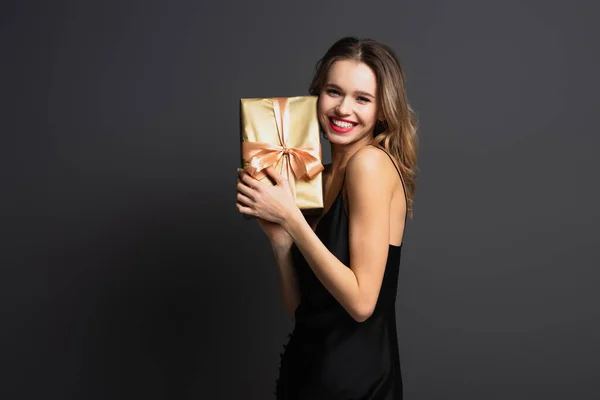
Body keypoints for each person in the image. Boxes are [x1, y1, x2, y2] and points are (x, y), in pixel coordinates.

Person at [236, 36, 418, 400]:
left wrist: (292, 219)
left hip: (358, 388)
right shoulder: (319, 176)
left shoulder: (370, 165)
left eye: (362, 98)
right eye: (334, 92)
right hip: (304, 380)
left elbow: (363, 303)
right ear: (318, 95)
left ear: (383, 109)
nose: (343, 109)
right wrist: (281, 241)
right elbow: (304, 312)